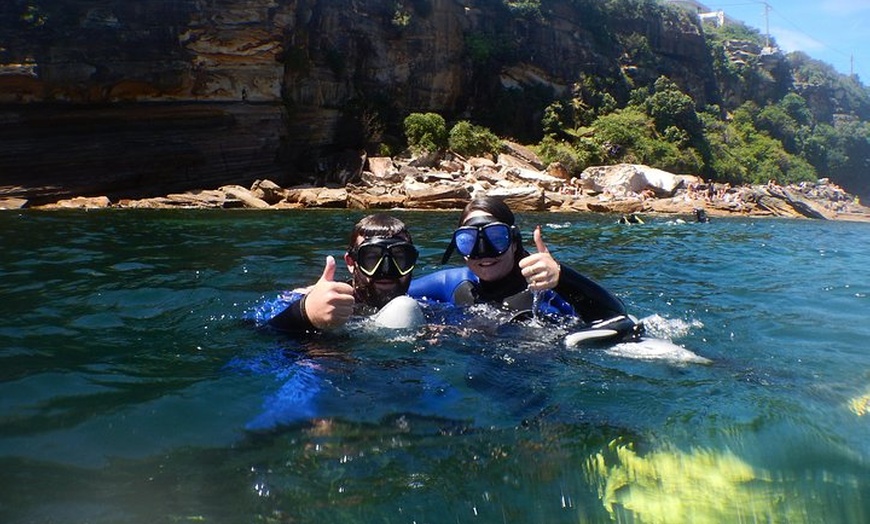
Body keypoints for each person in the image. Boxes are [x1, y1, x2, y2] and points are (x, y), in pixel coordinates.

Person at [409, 196, 634, 329]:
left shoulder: (544, 288)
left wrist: (562, 276)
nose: (484, 252)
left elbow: (615, 316)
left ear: (514, 242)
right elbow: (387, 296)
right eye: (469, 241)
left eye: (496, 238)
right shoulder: (451, 282)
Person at [256, 213, 420, 332]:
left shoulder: (426, 308)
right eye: (371, 257)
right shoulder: (311, 299)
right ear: (351, 262)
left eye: (399, 258)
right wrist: (304, 313)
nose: (386, 270)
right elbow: (254, 333)